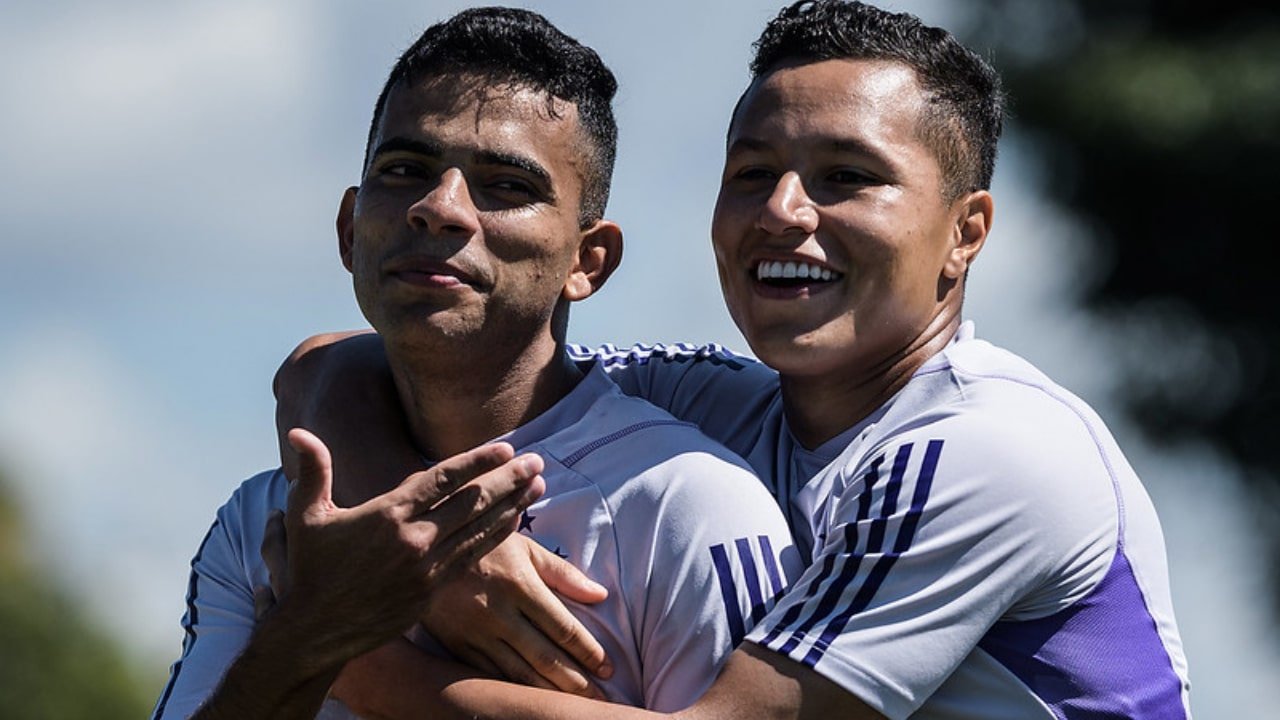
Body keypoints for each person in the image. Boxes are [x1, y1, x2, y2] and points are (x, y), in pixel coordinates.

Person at [276, 1, 1194, 718]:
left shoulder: (986, 449)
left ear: (967, 231)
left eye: (848, 178)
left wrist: (349, 657)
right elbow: (339, 362)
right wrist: (434, 552)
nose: (785, 212)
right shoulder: (717, 400)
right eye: (752, 173)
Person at [150, 8, 802, 720]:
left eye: (506, 186)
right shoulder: (267, 520)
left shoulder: (689, 508)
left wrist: (363, 663)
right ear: (349, 229)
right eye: (405, 171)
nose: (439, 208)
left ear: (589, 260)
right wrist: (308, 635)